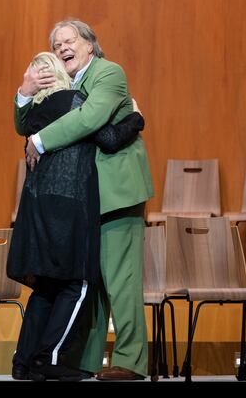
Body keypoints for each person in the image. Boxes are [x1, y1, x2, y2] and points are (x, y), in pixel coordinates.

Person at [15, 20, 154, 381]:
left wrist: (40, 140)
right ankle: (85, 362)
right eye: (56, 43)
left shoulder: (109, 72)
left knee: (120, 280)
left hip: (116, 193)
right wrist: (25, 94)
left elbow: (91, 118)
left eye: (69, 40)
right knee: (86, 283)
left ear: (90, 45)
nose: (62, 47)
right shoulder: (65, 83)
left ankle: (130, 361)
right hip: (84, 197)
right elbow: (27, 122)